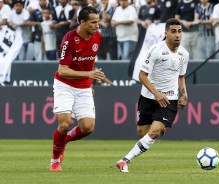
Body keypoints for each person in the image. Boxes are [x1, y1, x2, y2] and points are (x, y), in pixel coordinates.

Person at [116, 18, 189, 173]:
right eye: (173, 31)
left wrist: (184, 93)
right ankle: (160, 128)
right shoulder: (155, 50)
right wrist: (156, 94)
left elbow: (181, 76)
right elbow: (142, 75)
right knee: (142, 133)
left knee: (153, 132)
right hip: (149, 97)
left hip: (169, 99)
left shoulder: (184, 54)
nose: (177, 35)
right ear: (166, 33)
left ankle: (124, 161)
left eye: (180, 31)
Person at [49, 6, 105, 172]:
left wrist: (90, 82)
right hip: (64, 84)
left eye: (98, 22)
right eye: (93, 22)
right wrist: (89, 74)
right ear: (82, 22)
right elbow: (63, 70)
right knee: (65, 123)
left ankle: (63, 141)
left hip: (84, 86)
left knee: (88, 128)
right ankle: (55, 160)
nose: (97, 26)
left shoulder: (98, 37)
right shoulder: (69, 39)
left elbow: (89, 63)